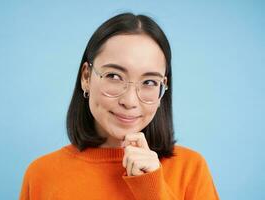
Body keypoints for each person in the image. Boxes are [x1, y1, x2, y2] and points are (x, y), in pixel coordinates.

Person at [19, 12, 219, 200]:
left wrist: (153, 190)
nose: (130, 101)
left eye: (149, 82)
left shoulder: (191, 169)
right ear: (86, 77)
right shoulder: (41, 174)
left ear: (162, 90)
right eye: (114, 76)